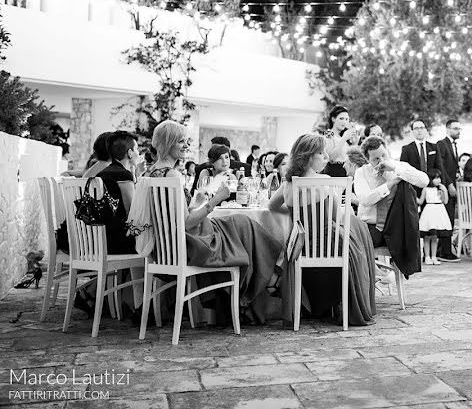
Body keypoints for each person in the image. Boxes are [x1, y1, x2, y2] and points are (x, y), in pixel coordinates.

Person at [132, 120, 282, 317]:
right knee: (244, 225)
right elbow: (185, 223)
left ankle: (253, 289)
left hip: (165, 245)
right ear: (168, 144)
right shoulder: (173, 175)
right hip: (189, 244)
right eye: (181, 142)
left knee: (240, 223)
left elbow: (172, 217)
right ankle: (268, 281)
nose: (186, 146)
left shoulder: (147, 174)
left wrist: (196, 203)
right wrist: (216, 200)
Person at [269, 133, 377, 326]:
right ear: (309, 156)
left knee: (355, 232)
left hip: (301, 246)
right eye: (321, 153)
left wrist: (297, 213)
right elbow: (335, 217)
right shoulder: (326, 180)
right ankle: (346, 300)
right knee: (358, 234)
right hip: (329, 245)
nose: (326, 156)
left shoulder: (289, 183)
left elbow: (272, 207)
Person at [354, 135, 428, 248]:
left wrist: (395, 169)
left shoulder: (399, 166)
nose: (382, 161)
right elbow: (365, 200)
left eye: (383, 155)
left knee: (409, 241)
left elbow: (424, 181)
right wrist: (390, 184)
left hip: (396, 227)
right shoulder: (361, 172)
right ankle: (371, 266)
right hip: (370, 226)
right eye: (376, 159)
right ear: (367, 159)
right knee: (358, 245)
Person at [96, 130, 141, 255]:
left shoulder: (104, 172)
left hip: (99, 238)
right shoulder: (123, 175)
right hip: (115, 242)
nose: (139, 153)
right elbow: (132, 212)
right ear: (130, 153)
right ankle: (142, 275)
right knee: (152, 238)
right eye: (137, 149)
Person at [435, 119, 463, 262]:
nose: (458, 131)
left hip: (452, 185)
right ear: (447, 129)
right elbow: (441, 167)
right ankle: (444, 251)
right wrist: (449, 184)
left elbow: (452, 166)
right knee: (446, 218)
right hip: (445, 187)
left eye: (459, 128)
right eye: (456, 128)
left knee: (450, 218)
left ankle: (443, 249)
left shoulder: (454, 146)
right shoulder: (441, 144)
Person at [399, 119, 445, 194]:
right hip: (413, 188)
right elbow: (404, 170)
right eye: (416, 128)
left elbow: (439, 167)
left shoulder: (434, 147)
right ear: (412, 131)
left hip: (432, 187)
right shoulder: (406, 149)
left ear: (426, 130)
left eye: (422, 128)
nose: (419, 130)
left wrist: (441, 185)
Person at [418, 169, 452, 265]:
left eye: (439, 177)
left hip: (439, 212)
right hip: (429, 212)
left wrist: (445, 191)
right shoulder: (426, 189)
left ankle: (434, 256)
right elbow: (421, 201)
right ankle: (427, 256)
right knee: (427, 236)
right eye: (436, 178)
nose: (439, 180)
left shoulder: (440, 190)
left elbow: (445, 201)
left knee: (434, 237)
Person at [323, 106, 354, 177]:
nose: (344, 122)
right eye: (341, 118)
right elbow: (331, 158)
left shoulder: (343, 135)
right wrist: (344, 139)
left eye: (346, 119)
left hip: (345, 170)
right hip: (334, 171)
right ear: (333, 119)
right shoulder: (328, 133)